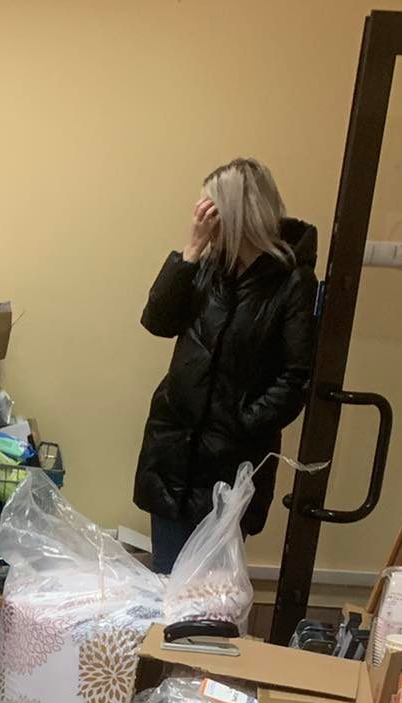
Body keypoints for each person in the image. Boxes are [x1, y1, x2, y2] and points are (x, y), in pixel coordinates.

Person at [134, 158, 318, 575]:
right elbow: (157, 321)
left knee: (211, 591)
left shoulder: (291, 281)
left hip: (230, 461)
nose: (204, 219)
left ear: (237, 213)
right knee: (168, 581)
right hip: (173, 450)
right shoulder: (207, 267)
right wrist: (190, 253)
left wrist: (240, 423)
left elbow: (294, 379)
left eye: (211, 210)